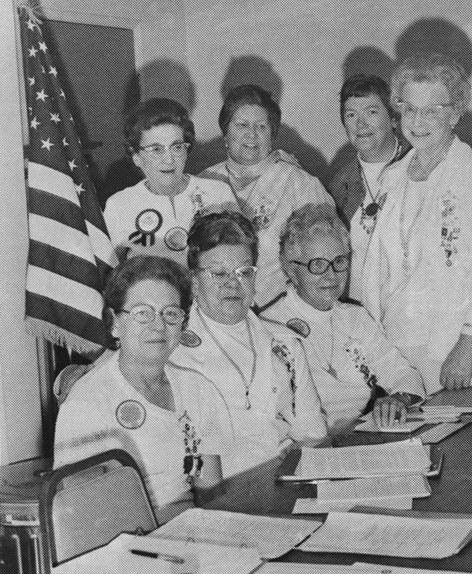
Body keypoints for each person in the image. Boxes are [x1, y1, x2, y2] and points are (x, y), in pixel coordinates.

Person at [361, 53, 472, 395]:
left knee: (465, 445)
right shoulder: (394, 176)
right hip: (401, 342)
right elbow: (382, 266)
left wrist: (470, 342)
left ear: (456, 112)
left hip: (461, 346)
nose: (418, 120)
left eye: (432, 110)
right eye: (410, 108)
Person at [54, 256, 232, 523]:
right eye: (142, 313)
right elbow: (83, 512)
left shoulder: (197, 389)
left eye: (170, 313)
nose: (158, 325)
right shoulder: (89, 400)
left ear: (183, 324)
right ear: (115, 323)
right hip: (126, 544)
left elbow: (209, 492)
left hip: (192, 536)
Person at [170, 210, 327, 476]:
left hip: (286, 480)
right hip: (217, 490)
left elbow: (313, 433)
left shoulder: (285, 345)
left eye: (244, 272)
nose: (233, 283)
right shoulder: (171, 348)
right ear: (194, 282)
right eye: (218, 273)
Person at [260, 203, 425, 434]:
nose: (331, 275)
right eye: (317, 264)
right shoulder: (269, 326)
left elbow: (404, 374)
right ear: (290, 269)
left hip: (360, 437)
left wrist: (399, 398)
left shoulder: (354, 318)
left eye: (339, 261)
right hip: (304, 446)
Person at [200, 85, 333, 308]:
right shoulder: (203, 183)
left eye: (261, 126)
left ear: (272, 134)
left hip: (279, 314)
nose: (251, 134)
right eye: (241, 125)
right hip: (215, 316)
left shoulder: (299, 183)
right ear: (226, 132)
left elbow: (324, 258)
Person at [104, 98, 237, 264]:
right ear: (136, 156)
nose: (169, 159)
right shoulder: (119, 205)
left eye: (177, 147)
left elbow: (238, 257)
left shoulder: (218, 194)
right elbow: (110, 272)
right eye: (156, 149)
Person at [328, 75, 411, 301]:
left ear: (393, 119)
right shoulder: (339, 185)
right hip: (358, 314)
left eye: (371, 112)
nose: (361, 124)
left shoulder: (420, 170)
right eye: (351, 115)